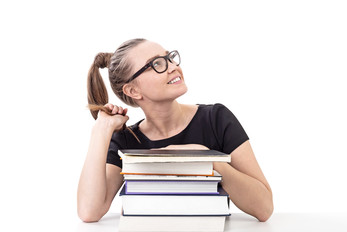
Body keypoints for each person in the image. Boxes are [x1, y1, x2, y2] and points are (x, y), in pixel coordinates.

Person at [77, 38, 273, 223]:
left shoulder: (216, 119)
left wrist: (209, 161)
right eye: (156, 64)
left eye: (169, 57)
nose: (173, 67)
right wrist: (101, 130)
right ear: (133, 91)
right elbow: (89, 211)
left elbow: (264, 208)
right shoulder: (127, 140)